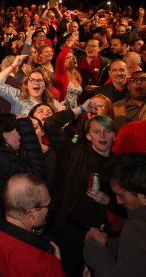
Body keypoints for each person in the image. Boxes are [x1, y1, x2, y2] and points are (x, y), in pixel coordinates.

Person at [44, 100, 118, 277]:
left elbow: (129, 206)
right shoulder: (75, 152)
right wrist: (82, 108)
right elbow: (51, 125)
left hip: (99, 234)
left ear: (114, 136)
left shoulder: (120, 166)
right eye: (96, 131)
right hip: (68, 228)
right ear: (88, 135)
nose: (102, 135)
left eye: (107, 132)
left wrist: (108, 200)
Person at [0, 173, 63, 277]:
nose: (48, 210)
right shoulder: (47, 264)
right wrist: (55, 264)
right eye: (47, 205)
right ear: (32, 213)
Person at [84, 154, 146, 277]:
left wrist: (94, 249)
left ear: (145, 198)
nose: (119, 201)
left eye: (122, 195)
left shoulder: (137, 229)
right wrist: (109, 245)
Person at [54, 34, 83, 107]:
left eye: (74, 56)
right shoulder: (61, 74)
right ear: (64, 63)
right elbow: (60, 58)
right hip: (63, 112)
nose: (73, 58)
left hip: (74, 113)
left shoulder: (77, 76)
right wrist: (71, 42)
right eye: (69, 57)